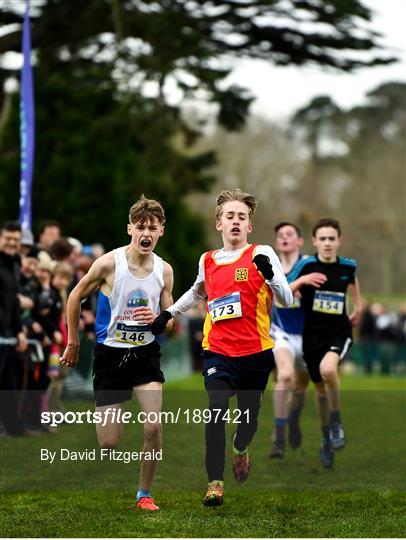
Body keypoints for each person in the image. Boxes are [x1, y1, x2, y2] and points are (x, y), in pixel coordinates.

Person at [151, 188, 293, 506]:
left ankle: (240, 448)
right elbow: (197, 291)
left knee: (248, 423)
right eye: (229, 216)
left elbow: (287, 298)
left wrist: (270, 276)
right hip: (217, 350)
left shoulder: (263, 253)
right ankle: (215, 482)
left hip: (256, 353)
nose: (235, 222)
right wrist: (168, 313)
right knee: (215, 409)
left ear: (249, 225)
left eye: (242, 217)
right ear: (219, 223)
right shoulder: (208, 260)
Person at [60, 196, 174, 511]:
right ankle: (113, 424)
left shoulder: (164, 271)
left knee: (153, 425)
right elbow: (75, 296)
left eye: (152, 227)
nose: (146, 233)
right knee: (109, 444)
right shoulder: (109, 263)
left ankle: (144, 494)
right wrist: (73, 342)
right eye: (140, 227)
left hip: (144, 356)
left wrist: (160, 321)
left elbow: (170, 321)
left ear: (161, 230)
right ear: (130, 229)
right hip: (110, 357)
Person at [289, 218, 362, 469]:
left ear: (339, 240)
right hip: (312, 335)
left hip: (339, 331)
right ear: (315, 241)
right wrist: (302, 282)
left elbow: (353, 285)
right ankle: (326, 439)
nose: (328, 243)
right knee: (319, 391)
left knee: (328, 370)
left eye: (332, 238)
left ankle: (336, 422)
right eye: (323, 238)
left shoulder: (348, 265)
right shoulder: (306, 264)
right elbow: (285, 291)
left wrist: (358, 307)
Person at [269, 223, 326, 458]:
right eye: (280, 235)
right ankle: (279, 438)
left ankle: (292, 420)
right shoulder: (270, 267)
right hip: (281, 333)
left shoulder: (310, 265)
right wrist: (298, 285)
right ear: (276, 243)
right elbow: (273, 297)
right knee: (284, 376)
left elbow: (325, 298)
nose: (284, 238)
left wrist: (310, 295)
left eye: (289, 234)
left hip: (309, 337)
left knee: (301, 390)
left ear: (300, 241)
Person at [0, 221, 27, 435]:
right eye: (8, 238)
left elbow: (14, 302)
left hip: (9, 332)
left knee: (10, 379)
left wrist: (19, 330)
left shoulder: (15, 263)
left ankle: (12, 426)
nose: (11, 242)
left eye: (15, 240)